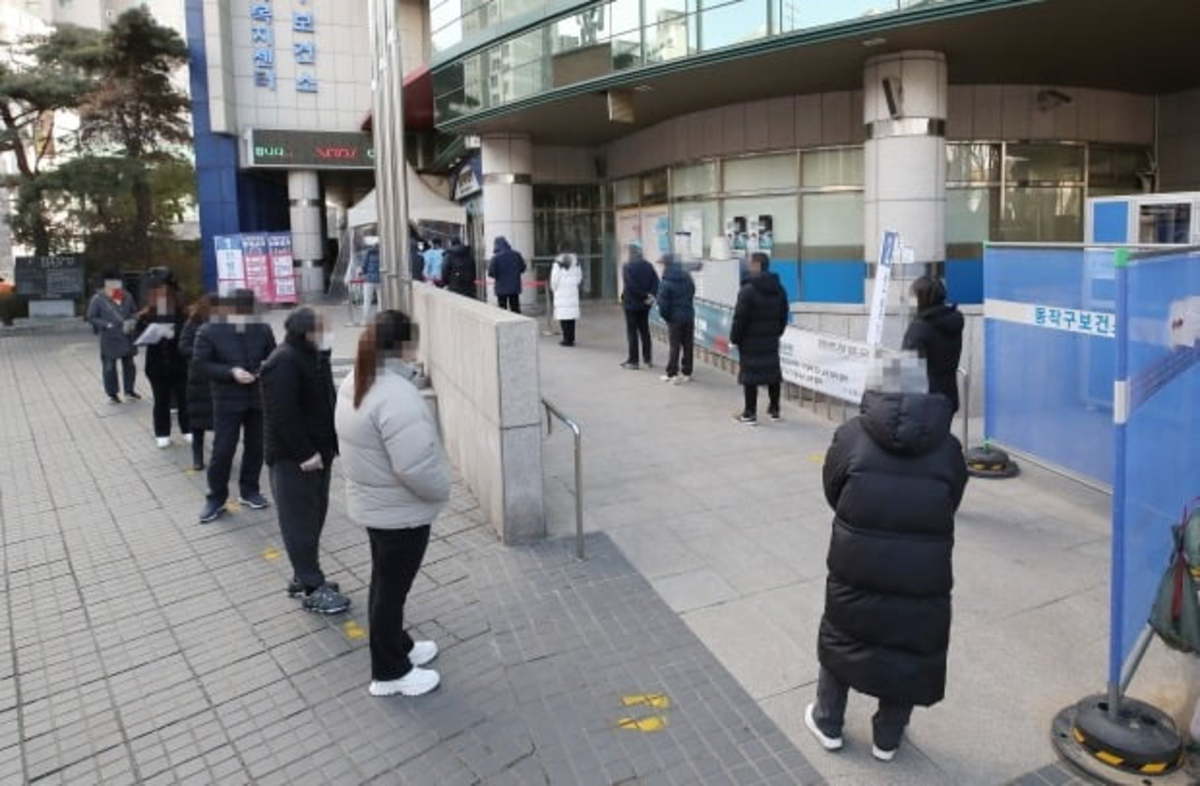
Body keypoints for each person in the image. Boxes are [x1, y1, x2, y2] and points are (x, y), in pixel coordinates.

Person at [806, 354, 967, 762]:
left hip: (856, 560)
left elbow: (833, 488)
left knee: (844, 633)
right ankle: (888, 737)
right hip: (921, 571)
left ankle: (828, 721)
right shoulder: (948, 447)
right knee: (909, 643)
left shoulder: (850, 436)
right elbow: (952, 500)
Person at [335, 309, 451, 697]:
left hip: (376, 503)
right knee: (390, 589)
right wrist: (441, 489)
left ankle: (398, 647)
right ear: (404, 345)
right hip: (399, 511)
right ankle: (389, 672)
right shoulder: (396, 396)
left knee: (385, 583)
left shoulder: (358, 379)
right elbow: (415, 466)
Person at [260, 307, 350, 614]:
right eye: (322, 330)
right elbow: (282, 414)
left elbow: (326, 402)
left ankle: (304, 575)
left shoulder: (315, 357)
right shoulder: (283, 361)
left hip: (320, 453)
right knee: (298, 522)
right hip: (294, 459)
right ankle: (312, 587)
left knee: (312, 518)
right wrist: (304, 453)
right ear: (306, 332)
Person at [192, 289, 277, 523]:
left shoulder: (262, 329)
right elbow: (201, 364)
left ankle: (250, 490)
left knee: (256, 445)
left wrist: (262, 370)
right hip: (227, 398)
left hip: (257, 396)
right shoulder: (209, 330)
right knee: (223, 449)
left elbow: (273, 357)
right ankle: (216, 498)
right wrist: (230, 372)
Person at [730, 253, 789, 425]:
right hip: (770, 339)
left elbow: (739, 318)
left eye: (750, 263)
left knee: (750, 376)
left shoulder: (747, 290)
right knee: (773, 374)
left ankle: (749, 414)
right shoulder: (779, 289)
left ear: (756, 265)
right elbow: (784, 314)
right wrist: (776, 332)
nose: (748, 266)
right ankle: (775, 409)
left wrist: (735, 338)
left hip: (749, 341)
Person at [135, 269, 189, 448]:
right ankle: (162, 433)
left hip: (180, 362)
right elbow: (138, 335)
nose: (160, 294)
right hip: (156, 364)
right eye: (156, 290)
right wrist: (146, 330)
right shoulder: (147, 313)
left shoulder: (182, 311)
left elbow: (192, 333)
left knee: (184, 398)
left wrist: (175, 333)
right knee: (161, 400)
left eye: (163, 289)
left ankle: (187, 430)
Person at [902, 276, 964, 412]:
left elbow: (910, 372)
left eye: (913, 296)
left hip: (924, 403)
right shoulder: (954, 320)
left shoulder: (919, 328)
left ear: (922, 298)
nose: (909, 300)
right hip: (949, 396)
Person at [86, 271, 141, 405]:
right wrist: (106, 325)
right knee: (109, 367)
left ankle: (129, 390)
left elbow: (134, 312)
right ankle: (112, 394)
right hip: (110, 337)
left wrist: (133, 321)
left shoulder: (127, 296)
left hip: (127, 336)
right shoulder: (98, 299)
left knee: (129, 364)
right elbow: (91, 317)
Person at [179, 296, 214, 471]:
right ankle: (197, 458)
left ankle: (218, 455)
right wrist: (201, 352)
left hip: (216, 378)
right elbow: (183, 347)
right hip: (198, 379)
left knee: (219, 421)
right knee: (198, 421)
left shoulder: (223, 324)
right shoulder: (192, 323)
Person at [656, 254, 696, 384]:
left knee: (675, 346)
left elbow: (662, 304)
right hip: (688, 315)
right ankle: (687, 372)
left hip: (674, 318)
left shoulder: (666, 282)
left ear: (666, 265)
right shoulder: (687, 278)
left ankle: (672, 373)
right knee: (688, 345)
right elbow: (692, 291)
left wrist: (667, 317)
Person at [620, 243, 659, 370]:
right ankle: (648, 359)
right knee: (645, 331)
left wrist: (643, 295)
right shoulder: (648, 265)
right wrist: (650, 295)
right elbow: (656, 282)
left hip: (631, 304)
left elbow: (630, 286)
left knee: (632, 333)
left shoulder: (627, 267)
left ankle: (633, 361)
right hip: (645, 305)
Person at [549, 243, 582, 347]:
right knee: (571, 317)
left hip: (561, 291)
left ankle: (566, 339)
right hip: (572, 291)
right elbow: (579, 277)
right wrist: (573, 285)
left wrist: (554, 289)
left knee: (563, 317)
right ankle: (571, 338)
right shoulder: (576, 262)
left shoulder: (557, 263)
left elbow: (554, 280)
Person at [488, 236, 526, 313]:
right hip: (514, 286)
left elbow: (491, 273)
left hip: (501, 287)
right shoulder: (516, 255)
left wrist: (498, 276)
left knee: (502, 309)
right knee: (515, 307)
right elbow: (523, 268)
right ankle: (517, 322)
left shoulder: (495, 258)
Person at [360, 236, 381, 325]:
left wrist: (363, 273)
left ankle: (365, 320)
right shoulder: (384, 254)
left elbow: (364, 266)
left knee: (367, 301)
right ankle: (380, 320)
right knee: (381, 301)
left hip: (369, 280)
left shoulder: (368, 253)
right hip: (380, 280)